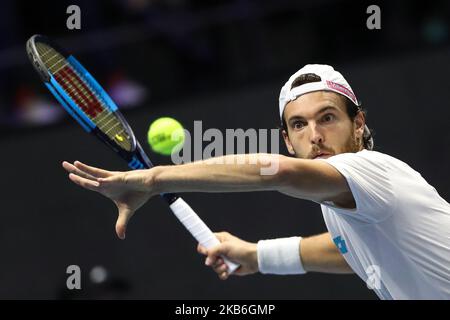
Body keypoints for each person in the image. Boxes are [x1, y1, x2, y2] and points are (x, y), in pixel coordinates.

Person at [62, 64, 450, 299]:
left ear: (358, 123)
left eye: (327, 118)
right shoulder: (350, 205)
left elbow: (278, 171)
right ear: (287, 139)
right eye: (299, 125)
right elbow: (351, 251)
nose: (314, 135)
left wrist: (154, 179)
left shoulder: (370, 170)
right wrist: (258, 255)